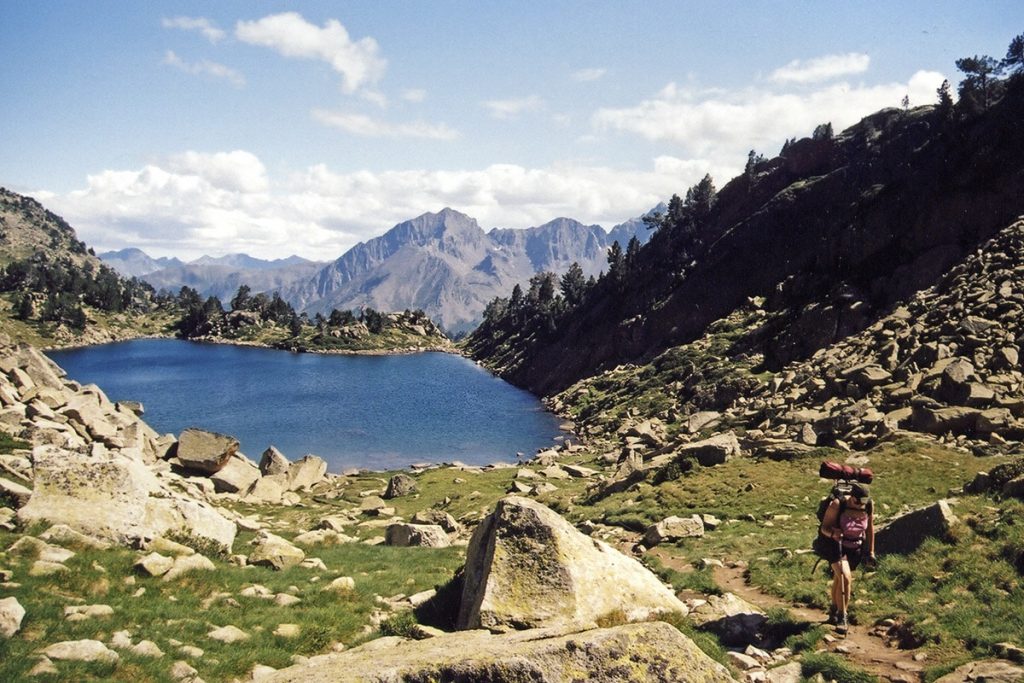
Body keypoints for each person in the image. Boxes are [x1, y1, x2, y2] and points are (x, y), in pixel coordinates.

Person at [818, 482, 875, 634]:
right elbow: (824, 528)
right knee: (845, 577)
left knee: (839, 579)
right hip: (835, 546)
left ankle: (833, 610)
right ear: (851, 497)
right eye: (858, 501)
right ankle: (843, 616)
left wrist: (870, 551)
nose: (860, 504)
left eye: (864, 501)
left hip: (855, 548)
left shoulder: (868, 506)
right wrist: (833, 534)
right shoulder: (838, 504)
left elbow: (870, 529)